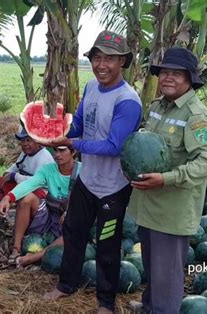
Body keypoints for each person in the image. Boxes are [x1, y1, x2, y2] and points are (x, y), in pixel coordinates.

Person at [43, 30, 142, 314]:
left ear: (122, 61)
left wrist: (72, 143)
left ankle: (106, 302)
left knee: (107, 243)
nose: (101, 64)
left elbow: (114, 146)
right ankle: (66, 285)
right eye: (96, 58)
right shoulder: (90, 87)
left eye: (109, 58)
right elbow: (80, 124)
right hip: (88, 180)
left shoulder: (128, 101)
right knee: (73, 232)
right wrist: (58, 131)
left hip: (114, 186)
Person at [127, 48, 207, 313]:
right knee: (152, 265)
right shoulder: (158, 106)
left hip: (172, 210)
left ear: (190, 79)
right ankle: (149, 306)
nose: (168, 78)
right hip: (149, 203)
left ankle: (163, 309)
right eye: (164, 72)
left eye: (176, 74)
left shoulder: (195, 116)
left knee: (167, 274)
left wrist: (167, 179)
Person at [0, 145, 80, 265]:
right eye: (55, 150)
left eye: (62, 150)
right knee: (26, 199)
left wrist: (70, 212)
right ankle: (16, 248)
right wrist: (8, 197)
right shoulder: (48, 170)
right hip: (51, 215)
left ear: (73, 152)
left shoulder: (82, 171)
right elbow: (30, 184)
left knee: (73, 231)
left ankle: (33, 258)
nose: (57, 154)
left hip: (72, 218)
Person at [0, 126, 54, 230]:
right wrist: (8, 173)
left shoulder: (44, 157)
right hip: (23, 185)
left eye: (28, 140)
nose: (25, 144)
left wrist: (15, 176)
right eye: (23, 141)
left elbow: (37, 182)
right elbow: (16, 166)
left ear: (38, 141)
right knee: (0, 182)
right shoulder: (25, 154)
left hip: (41, 193)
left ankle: (26, 225)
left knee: (26, 195)